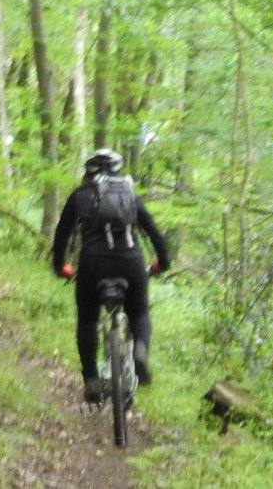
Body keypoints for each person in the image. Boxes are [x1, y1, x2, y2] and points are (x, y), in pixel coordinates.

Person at [51, 148, 171, 403]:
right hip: (131, 263)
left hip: (92, 265)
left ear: (87, 172)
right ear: (117, 171)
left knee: (88, 320)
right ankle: (140, 351)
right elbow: (154, 233)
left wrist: (60, 267)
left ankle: (91, 380)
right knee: (139, 312)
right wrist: (162, 263)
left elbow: (62, 236)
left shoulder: (79, 196)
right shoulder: (130, 195)